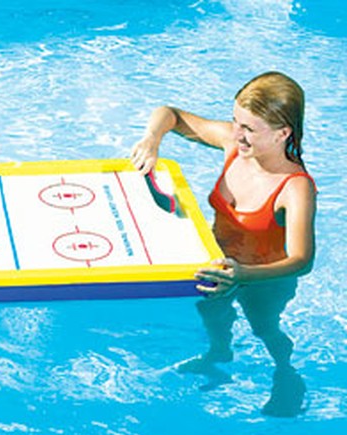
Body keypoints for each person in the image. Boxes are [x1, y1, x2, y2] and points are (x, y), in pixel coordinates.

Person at [130, 72, 316, 416]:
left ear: (282, 133)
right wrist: (152, 140)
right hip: (222, 265)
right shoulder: (235, 147)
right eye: (235, 121)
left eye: (249, 128)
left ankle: (286, 373)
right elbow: (170, 114)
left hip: (264, 279)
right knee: (211, 312)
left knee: (264, 328)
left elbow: (302, 259)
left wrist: (244, 274)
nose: (236, 133)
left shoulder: (294, 187)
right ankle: (218, 354)